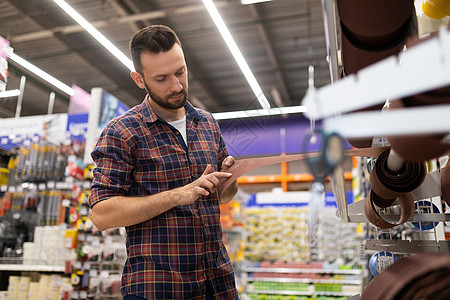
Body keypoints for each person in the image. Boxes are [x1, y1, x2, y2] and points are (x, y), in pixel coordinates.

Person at [88, 25, 239, 299]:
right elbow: (101, 215)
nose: (177, 85)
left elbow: (224, 197)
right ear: (139, 79)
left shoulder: (206, 123)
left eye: (180, 71)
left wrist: (228, 180)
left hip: (218, 283)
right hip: (158, 287)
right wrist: (178, 195)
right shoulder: (123, 132)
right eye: (162, 78)